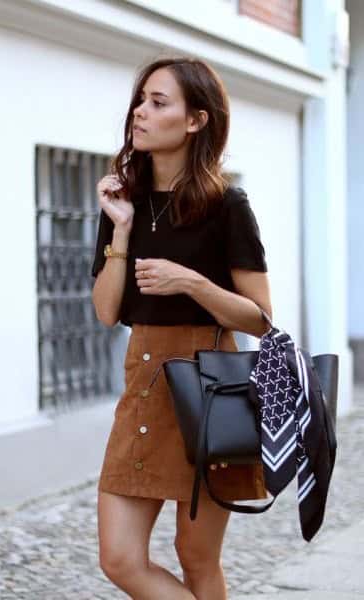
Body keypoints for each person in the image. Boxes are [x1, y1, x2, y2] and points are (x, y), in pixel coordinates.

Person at [91, 56, 273, 600]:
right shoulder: (123, 200)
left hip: (211, 390)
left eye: (158, 102)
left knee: (196, 559)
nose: (139, 114)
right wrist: (120, 232)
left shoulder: (226, 205)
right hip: (143, 388)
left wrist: (191, 283)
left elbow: (261, 319)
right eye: (140, 101)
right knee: (120, 559)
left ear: (196, 121)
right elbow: (106, 311)